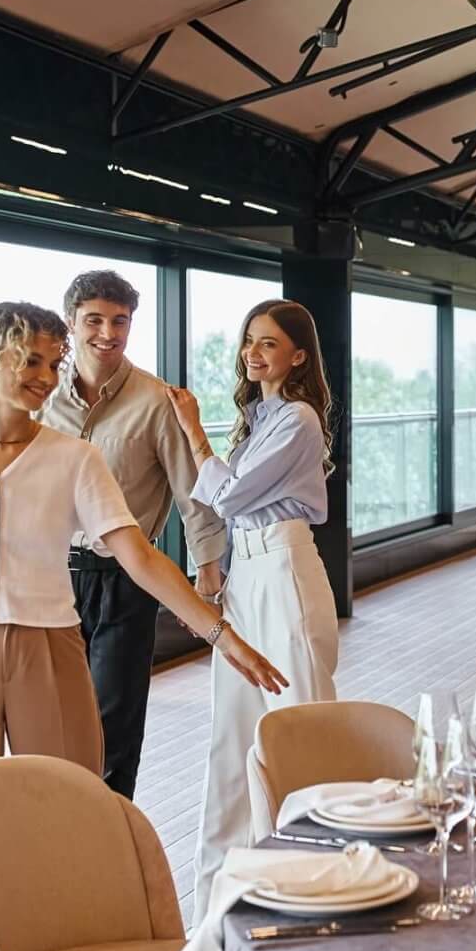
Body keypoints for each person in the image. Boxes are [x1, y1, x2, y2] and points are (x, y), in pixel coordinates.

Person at [0, 301, 287, 951]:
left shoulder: (75, 458)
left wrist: (221, 633)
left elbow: (141, 556)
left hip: (50, 651)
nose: (46, 376)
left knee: (70, 823)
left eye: (51, 362)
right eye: (30, 361)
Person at [166, 298, 339, 919]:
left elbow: (233, 498)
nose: (253, 352)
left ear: (297, 355)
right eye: (249, 341)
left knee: (298, 725)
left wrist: (192, 429)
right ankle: (217, 904)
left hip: (285, 573)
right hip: (247, 573)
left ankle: (311, 887)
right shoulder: (261, 417)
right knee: (232, 736)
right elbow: (224, 504)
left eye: (268, 343)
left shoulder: (297, 418)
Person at [41, 270, 228, 798]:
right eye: (94, 320)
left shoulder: (154, 401)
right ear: (71, 325)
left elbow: (192, 493)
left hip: (126, 580)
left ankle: (107, 845)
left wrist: (208, 576)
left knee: (113, 725)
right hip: (48, 580)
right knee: (50, 719)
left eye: (119, 321)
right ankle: (49, 834)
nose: (108, 332)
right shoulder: (42, 399)